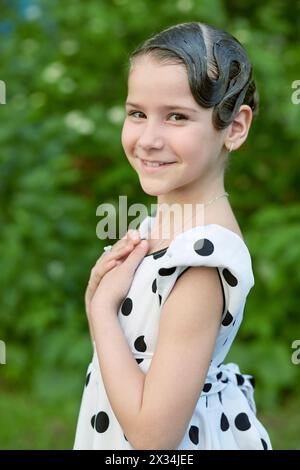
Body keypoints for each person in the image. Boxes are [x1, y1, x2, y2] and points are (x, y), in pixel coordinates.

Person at [73, 21, 272, 450]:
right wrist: (100, 300)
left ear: (235, 127)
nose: (148, 139)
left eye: (177, 117)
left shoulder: (201, 262)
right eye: (137, 113)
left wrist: (102, 314)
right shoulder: (161, 226)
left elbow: (153, 438)